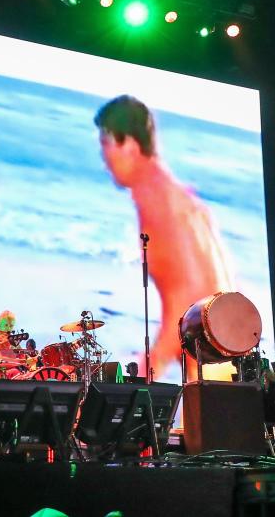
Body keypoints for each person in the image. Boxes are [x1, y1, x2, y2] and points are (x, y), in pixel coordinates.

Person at [95, 95, 234, 380]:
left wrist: (148, 370)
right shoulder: (175, 194)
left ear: (129, 145)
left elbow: (187, 295)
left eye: (105, 146)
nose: (103, 160)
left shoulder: (155, 198)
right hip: (224, 359)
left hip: (212, 373)